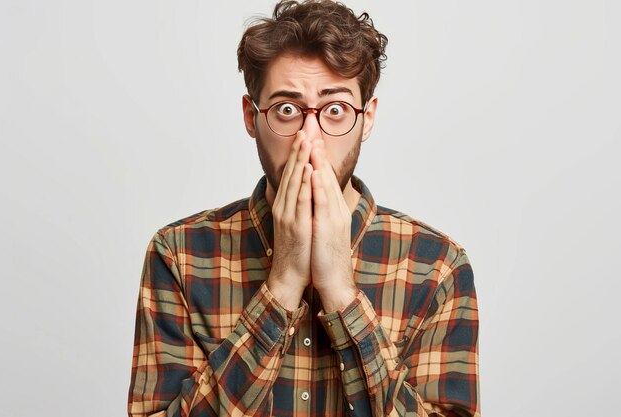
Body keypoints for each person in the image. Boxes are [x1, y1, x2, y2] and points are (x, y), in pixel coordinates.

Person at [127, 1, 481, 416]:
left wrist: (342, 294)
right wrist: (283, 284)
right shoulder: (179, 255)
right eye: (287, 110)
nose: (308, 139)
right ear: (250, 116)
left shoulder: (438, 267)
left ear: (367, 118)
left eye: (335, 110)